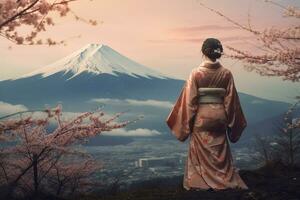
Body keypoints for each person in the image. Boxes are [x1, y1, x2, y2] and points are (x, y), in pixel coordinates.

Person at [165, 38, 248, 190]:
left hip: (202, 117)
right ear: (219, 52)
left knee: (199, 147)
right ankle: (223, 178)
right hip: (220, 115)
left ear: (203, 52)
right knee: (220, 148)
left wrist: (185, 124)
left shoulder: (196, 73)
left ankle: (201, 181)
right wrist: (232, 123)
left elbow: (189, 102)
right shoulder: (226, 73)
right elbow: (231, 102)